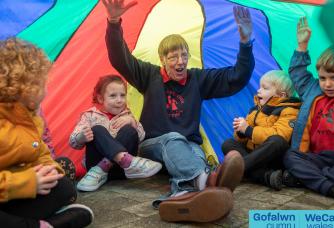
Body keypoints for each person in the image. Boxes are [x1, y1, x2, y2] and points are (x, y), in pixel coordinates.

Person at [102, 0, 254, 222]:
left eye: (183, 55)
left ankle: (183, 197)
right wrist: (114, 22)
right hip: (153, 146)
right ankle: (206, 182)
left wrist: (245, 42)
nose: (180, 61)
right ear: (163, 60)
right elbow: (120, 59)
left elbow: (236, 76)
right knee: (174, 138)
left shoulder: (198, 79)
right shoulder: (149, 75)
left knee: (197, 155)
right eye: (173, 57)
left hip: (188, 147)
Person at [0, 38, 93, 228]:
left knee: (64, 187)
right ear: (23, 87)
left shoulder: (29, 118)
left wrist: (51, 172)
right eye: (42, 84)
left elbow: (41, 153)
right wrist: (26, 182)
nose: (46, 90)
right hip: (11, 188)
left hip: (15, 196)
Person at [283, 17, 334, 213]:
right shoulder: (311, 89)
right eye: (323, 77)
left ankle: (308, 179)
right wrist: (302, 45)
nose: (327, 84)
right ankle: (332, 188)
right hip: (319, 157)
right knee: (291, 156)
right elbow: (297, 72)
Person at [69, 75, 162, 192]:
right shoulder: (89, 115)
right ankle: (117, 163)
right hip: (94, 170)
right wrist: (81, 137)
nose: (119, 100)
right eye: (113, 96)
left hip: (122, 170)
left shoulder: (127, 115)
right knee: (97, 129)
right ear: (100, 98)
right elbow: (73, 143)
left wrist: (132, 122)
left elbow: (141, 137)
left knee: (129, 130)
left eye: (122, 95)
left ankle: (122, 164)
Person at [222, 70, 301, 190]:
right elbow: (242, 139)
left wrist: (248, 130)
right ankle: (265, 176)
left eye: (265, 88)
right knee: (228, 143)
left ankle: (237, 170)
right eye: (260, 87)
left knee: (277, 140)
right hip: (254, 156)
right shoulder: (255, 109)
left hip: (272, 157)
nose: (259, 90)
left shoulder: (290, 110)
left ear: (281, 95)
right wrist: (240, 131)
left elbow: (280, 134)